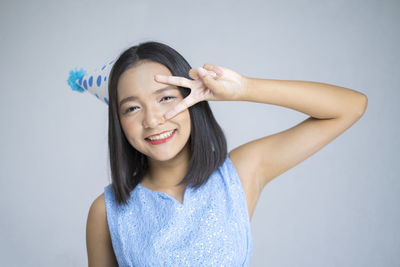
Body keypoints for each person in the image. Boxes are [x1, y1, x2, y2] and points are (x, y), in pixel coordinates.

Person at [86, 41, 368, 266]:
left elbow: (350, 106)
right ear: (118, 123)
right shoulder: (106, 212)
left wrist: (244, 88)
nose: (153, 119)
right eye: (132, 108)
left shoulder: (240, 174)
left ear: (191, 99)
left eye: (166, 97)